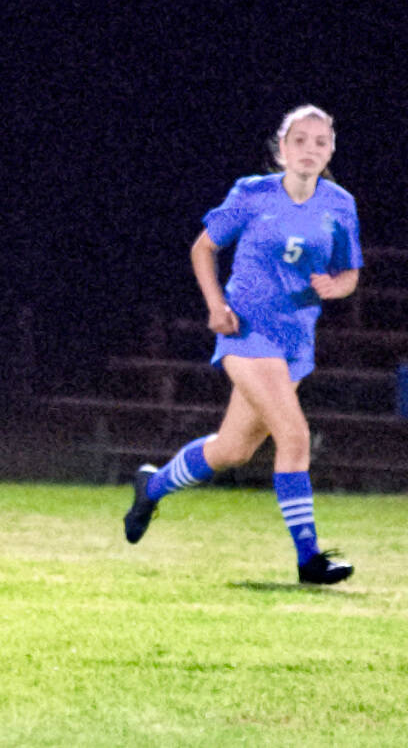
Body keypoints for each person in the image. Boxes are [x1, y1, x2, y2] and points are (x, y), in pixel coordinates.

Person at [123, 105, 361, 585]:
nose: (310, 149)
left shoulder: (340, 204)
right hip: (248, 330)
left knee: (232, 450)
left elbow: (349, 273)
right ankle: (310, 559)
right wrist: (215, 305)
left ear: (331, 150)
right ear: (282, 149)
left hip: (296, 340)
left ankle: (152, 485)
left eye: (320, 141)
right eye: (299, 140)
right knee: (294, 436)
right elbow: (203, 247)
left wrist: (337, 286)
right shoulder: (252, 193)